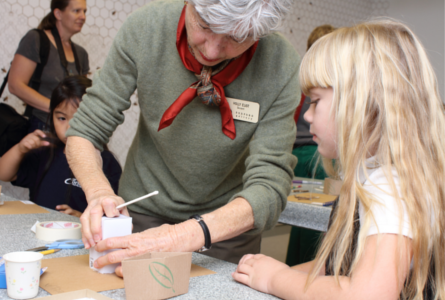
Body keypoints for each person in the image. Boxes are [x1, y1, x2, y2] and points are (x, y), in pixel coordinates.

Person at [65, 0, 300, 274]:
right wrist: (99, 192)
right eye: (205, 25)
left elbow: (270, 184)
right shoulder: (146, 28)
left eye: (236, 37)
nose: (211, 50)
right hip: (141, 214)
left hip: (225, 229)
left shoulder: (281, 63)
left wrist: (183, 236)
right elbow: (85, 130)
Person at [233, 19, 444, 299]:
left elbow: (367, 295)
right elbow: (339, 268)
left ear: (361, 103)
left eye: (316, 101)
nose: (307, 115)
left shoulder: (391, 187)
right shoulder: (370, 173)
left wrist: (276, 279)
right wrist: (281, 275)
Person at [0, 76, 122, 217]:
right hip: (40, 231)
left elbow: (112, 214)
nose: (69, 127)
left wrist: (80, 217)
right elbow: (3, 174)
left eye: (79, 118)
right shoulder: (45, 151)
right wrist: (20, 149)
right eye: (62, 118)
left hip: (80, 237)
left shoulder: (108, 162)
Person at [286, 24, 335, 267]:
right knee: (311, 221)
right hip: (309, 156)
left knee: (307, 220)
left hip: (309, 155)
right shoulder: (306, 81)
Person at [8, 0, 89, 133]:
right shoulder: (36, 39)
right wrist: (59, 111)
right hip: (41, 126)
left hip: (70, 129)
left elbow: (81, 95)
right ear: (58, 13)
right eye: (76, 11)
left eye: (84, 11)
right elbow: (15, 85)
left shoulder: (82, 54)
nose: (83, 17)